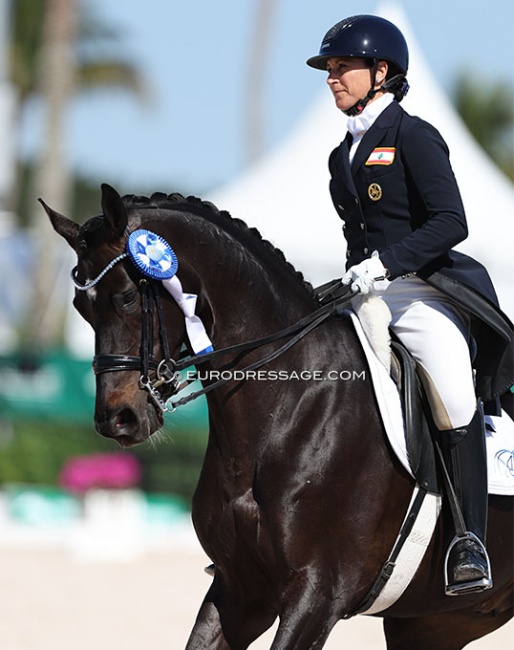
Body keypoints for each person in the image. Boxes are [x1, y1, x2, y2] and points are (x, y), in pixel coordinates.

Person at [307, 14, 514, 596]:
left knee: (452, 389)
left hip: (423, 290)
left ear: (381, 72)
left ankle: (470, 541)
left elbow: (452, 221)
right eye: (329, 67)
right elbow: (358, 236)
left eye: (342, 66)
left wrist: (388, 264)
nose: (332, 77)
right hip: (369, 292)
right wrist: (356, 275)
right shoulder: (338, 157)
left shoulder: (414, 135)